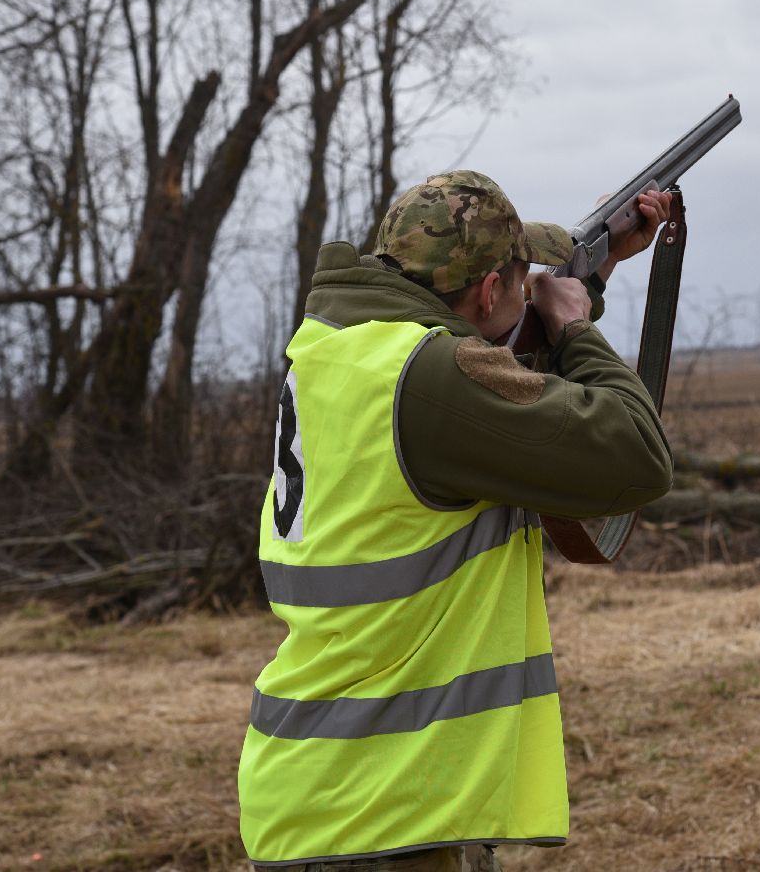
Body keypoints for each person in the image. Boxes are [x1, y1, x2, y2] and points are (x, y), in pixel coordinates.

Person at [237, 170, 677, 871]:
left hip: (337, 790)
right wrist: (574, 325)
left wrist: (596, 269)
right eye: (520, 275)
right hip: (384, 812)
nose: (529, 284)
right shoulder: (429, 376)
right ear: (488, 292)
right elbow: (635, 455)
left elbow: (497, 383)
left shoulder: (342, 349)